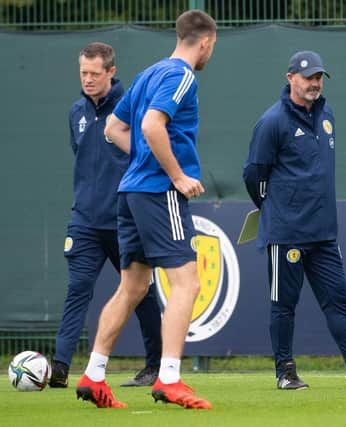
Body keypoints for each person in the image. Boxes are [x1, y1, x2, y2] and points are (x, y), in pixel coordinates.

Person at [75, 10, 217, 409]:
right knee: (187, 283)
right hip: (158, 193)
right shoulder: (182, 76)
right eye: (211, 47)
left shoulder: (148, 73)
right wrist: (175, 174)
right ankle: (169, 379)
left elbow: (113, 129)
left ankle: (94, 375)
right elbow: (153, 125)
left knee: (133, 286)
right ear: (206, 42)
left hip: (130, 193)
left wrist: (145, 160)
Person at [243, 50, 346, 390]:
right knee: (284, 304)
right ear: (290, 79)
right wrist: (275, 208)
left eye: (318, 77)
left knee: (339, 297)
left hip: (324, 232)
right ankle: (285, 372)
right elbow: (254, 174)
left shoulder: (326, 114)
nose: (314, 83)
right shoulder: (272, 121)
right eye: (308, 77)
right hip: (286, 232)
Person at [50, 42, 162, 389]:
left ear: (111, 72)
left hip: (124, 219)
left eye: (94, 74)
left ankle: (155, 367)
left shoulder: (132, 109)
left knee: (140, 291)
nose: (88, 79)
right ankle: (59, 367)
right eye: (83, 73)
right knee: (78, 288)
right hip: (84, 222)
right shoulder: (76, 113)